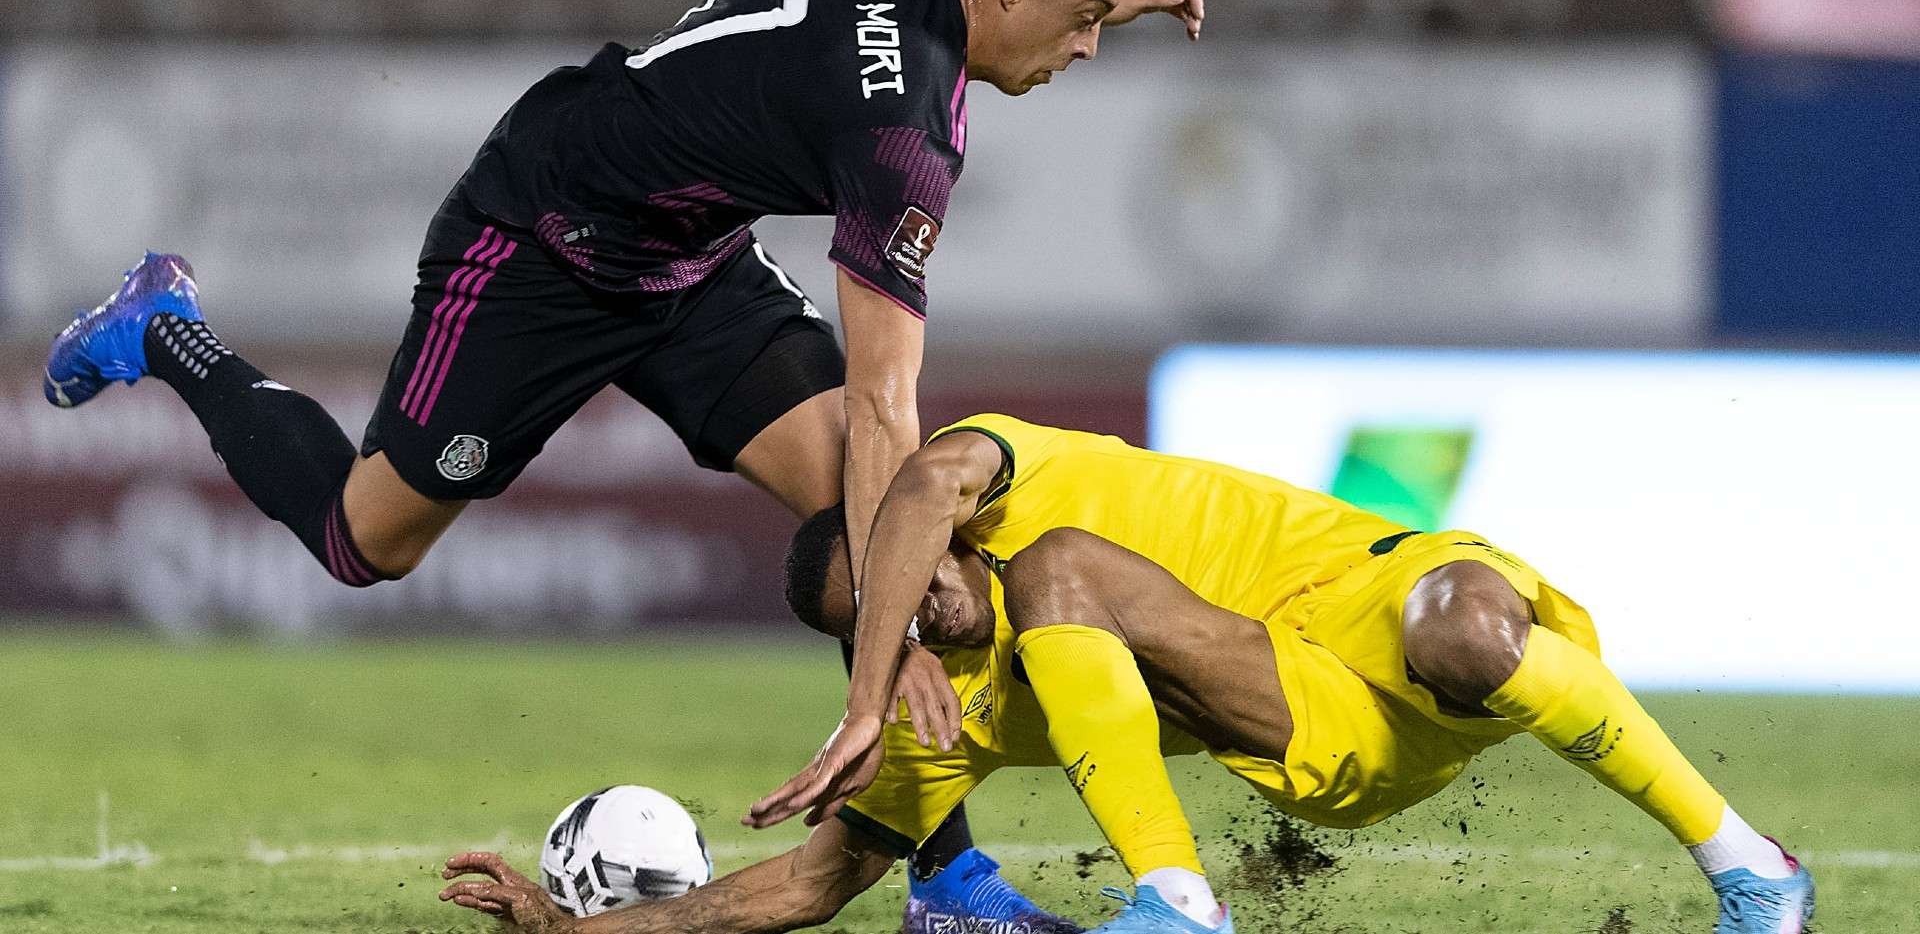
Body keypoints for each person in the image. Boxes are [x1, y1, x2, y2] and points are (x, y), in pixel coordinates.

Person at [42, 0, 1202, 934]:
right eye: (1086, 19)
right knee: (365, 539)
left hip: (690, 263)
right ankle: (163, 327)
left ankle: (945, 886)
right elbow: (887, 399)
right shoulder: (900, 135)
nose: (1089, 47)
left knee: (892, 538)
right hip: (541, 243)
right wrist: (881, 656)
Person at [430, 413, 1814, 933]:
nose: (927, 618)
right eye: (883, 615)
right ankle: (1177, 902)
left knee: (1465, 629)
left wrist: (887, 644)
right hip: (1322, 733)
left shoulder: (998, 474)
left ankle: (1756, 873)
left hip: (1390, 596)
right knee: (1061, 586)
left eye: (913, 589)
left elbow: (921, 474)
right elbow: (806, 885)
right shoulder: (943, 712)